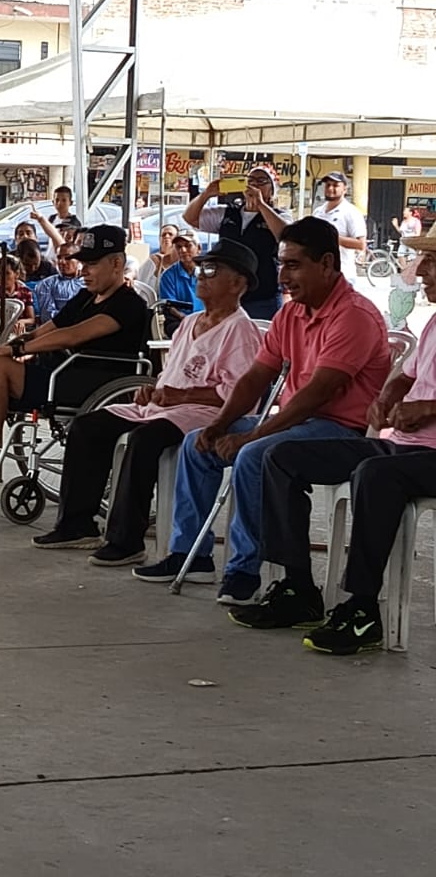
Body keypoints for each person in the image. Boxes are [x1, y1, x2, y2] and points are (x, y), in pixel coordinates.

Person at [152, 217, 391, 601]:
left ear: (327, 264)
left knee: (254, 454)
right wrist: (221, 423)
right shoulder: (290, 313)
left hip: (341, 430)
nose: (282, 277)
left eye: (293, 265)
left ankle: (243, 571)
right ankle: (190, 554)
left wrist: (252, 435)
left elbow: (317, 393)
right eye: (281, 265)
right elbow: (255, 377)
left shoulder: (354, 315)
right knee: (198, 443)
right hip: (298, 422)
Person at [239, 230, 436, 651]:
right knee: (280, 456)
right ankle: (297, 587)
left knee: (376, 474)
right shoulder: (434, 323)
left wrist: (429, 408)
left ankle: (363, 608)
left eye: (432, 262)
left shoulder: (355, 313)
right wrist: (386, 397)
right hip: (405, 445)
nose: (421, 271)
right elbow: (405, 376)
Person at [33, 240, 262, 566]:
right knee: (88, 426)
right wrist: (152, 389)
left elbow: (240, 395)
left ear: (238, 284)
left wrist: (181, 396)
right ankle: (76, 525)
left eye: (211, 270)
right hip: (164, 407)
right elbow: (170, 376)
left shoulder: (241, 330)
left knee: (145, 439)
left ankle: (126, 540)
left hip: (205, 413)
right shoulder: (189, 323)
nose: (201, 275)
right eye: (201, 268)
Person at [0, 224, 148, 501]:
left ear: (116, 263)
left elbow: (72, 335)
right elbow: (49, 328)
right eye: (83, 263)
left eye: (92, 264)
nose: (84, 271)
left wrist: (15, 350)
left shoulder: (129, 304)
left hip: (91, 383)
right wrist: (9, 345)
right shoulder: (86, 296)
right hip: (58, 373)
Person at [183, 165, 290, 320]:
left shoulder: (279, 216)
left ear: (272, 190)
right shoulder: (228, 212)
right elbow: (190, 218)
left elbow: (286, 235)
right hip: (226, 294)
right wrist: (206, 194)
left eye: (261, 181)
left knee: (262, 333)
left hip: (263, 296)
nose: (254, 184)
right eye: (250, 180)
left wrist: (261, 205)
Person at [309, 170, 367, 283]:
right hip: (318, 276)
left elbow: (361, 244)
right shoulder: (318, 212)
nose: (331, 188)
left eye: (335, 185)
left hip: (342, 276)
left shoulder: (351, 212)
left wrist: (331, 237)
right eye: (328, 185)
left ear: (345, 189)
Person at [30, 243, 84, 322]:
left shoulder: (89, 283)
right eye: (59, 257)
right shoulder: (46, 284)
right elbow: (47, 316)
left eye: (67, 257)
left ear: (79, 259)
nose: (62, 262)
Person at [157, 230, 202, 317]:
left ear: (199, 248)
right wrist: (187, 320)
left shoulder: (209, 273)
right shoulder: (168, 276)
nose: (183, 250)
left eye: (188, 246)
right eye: (178, 247)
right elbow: (170, 306)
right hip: (180, 319)